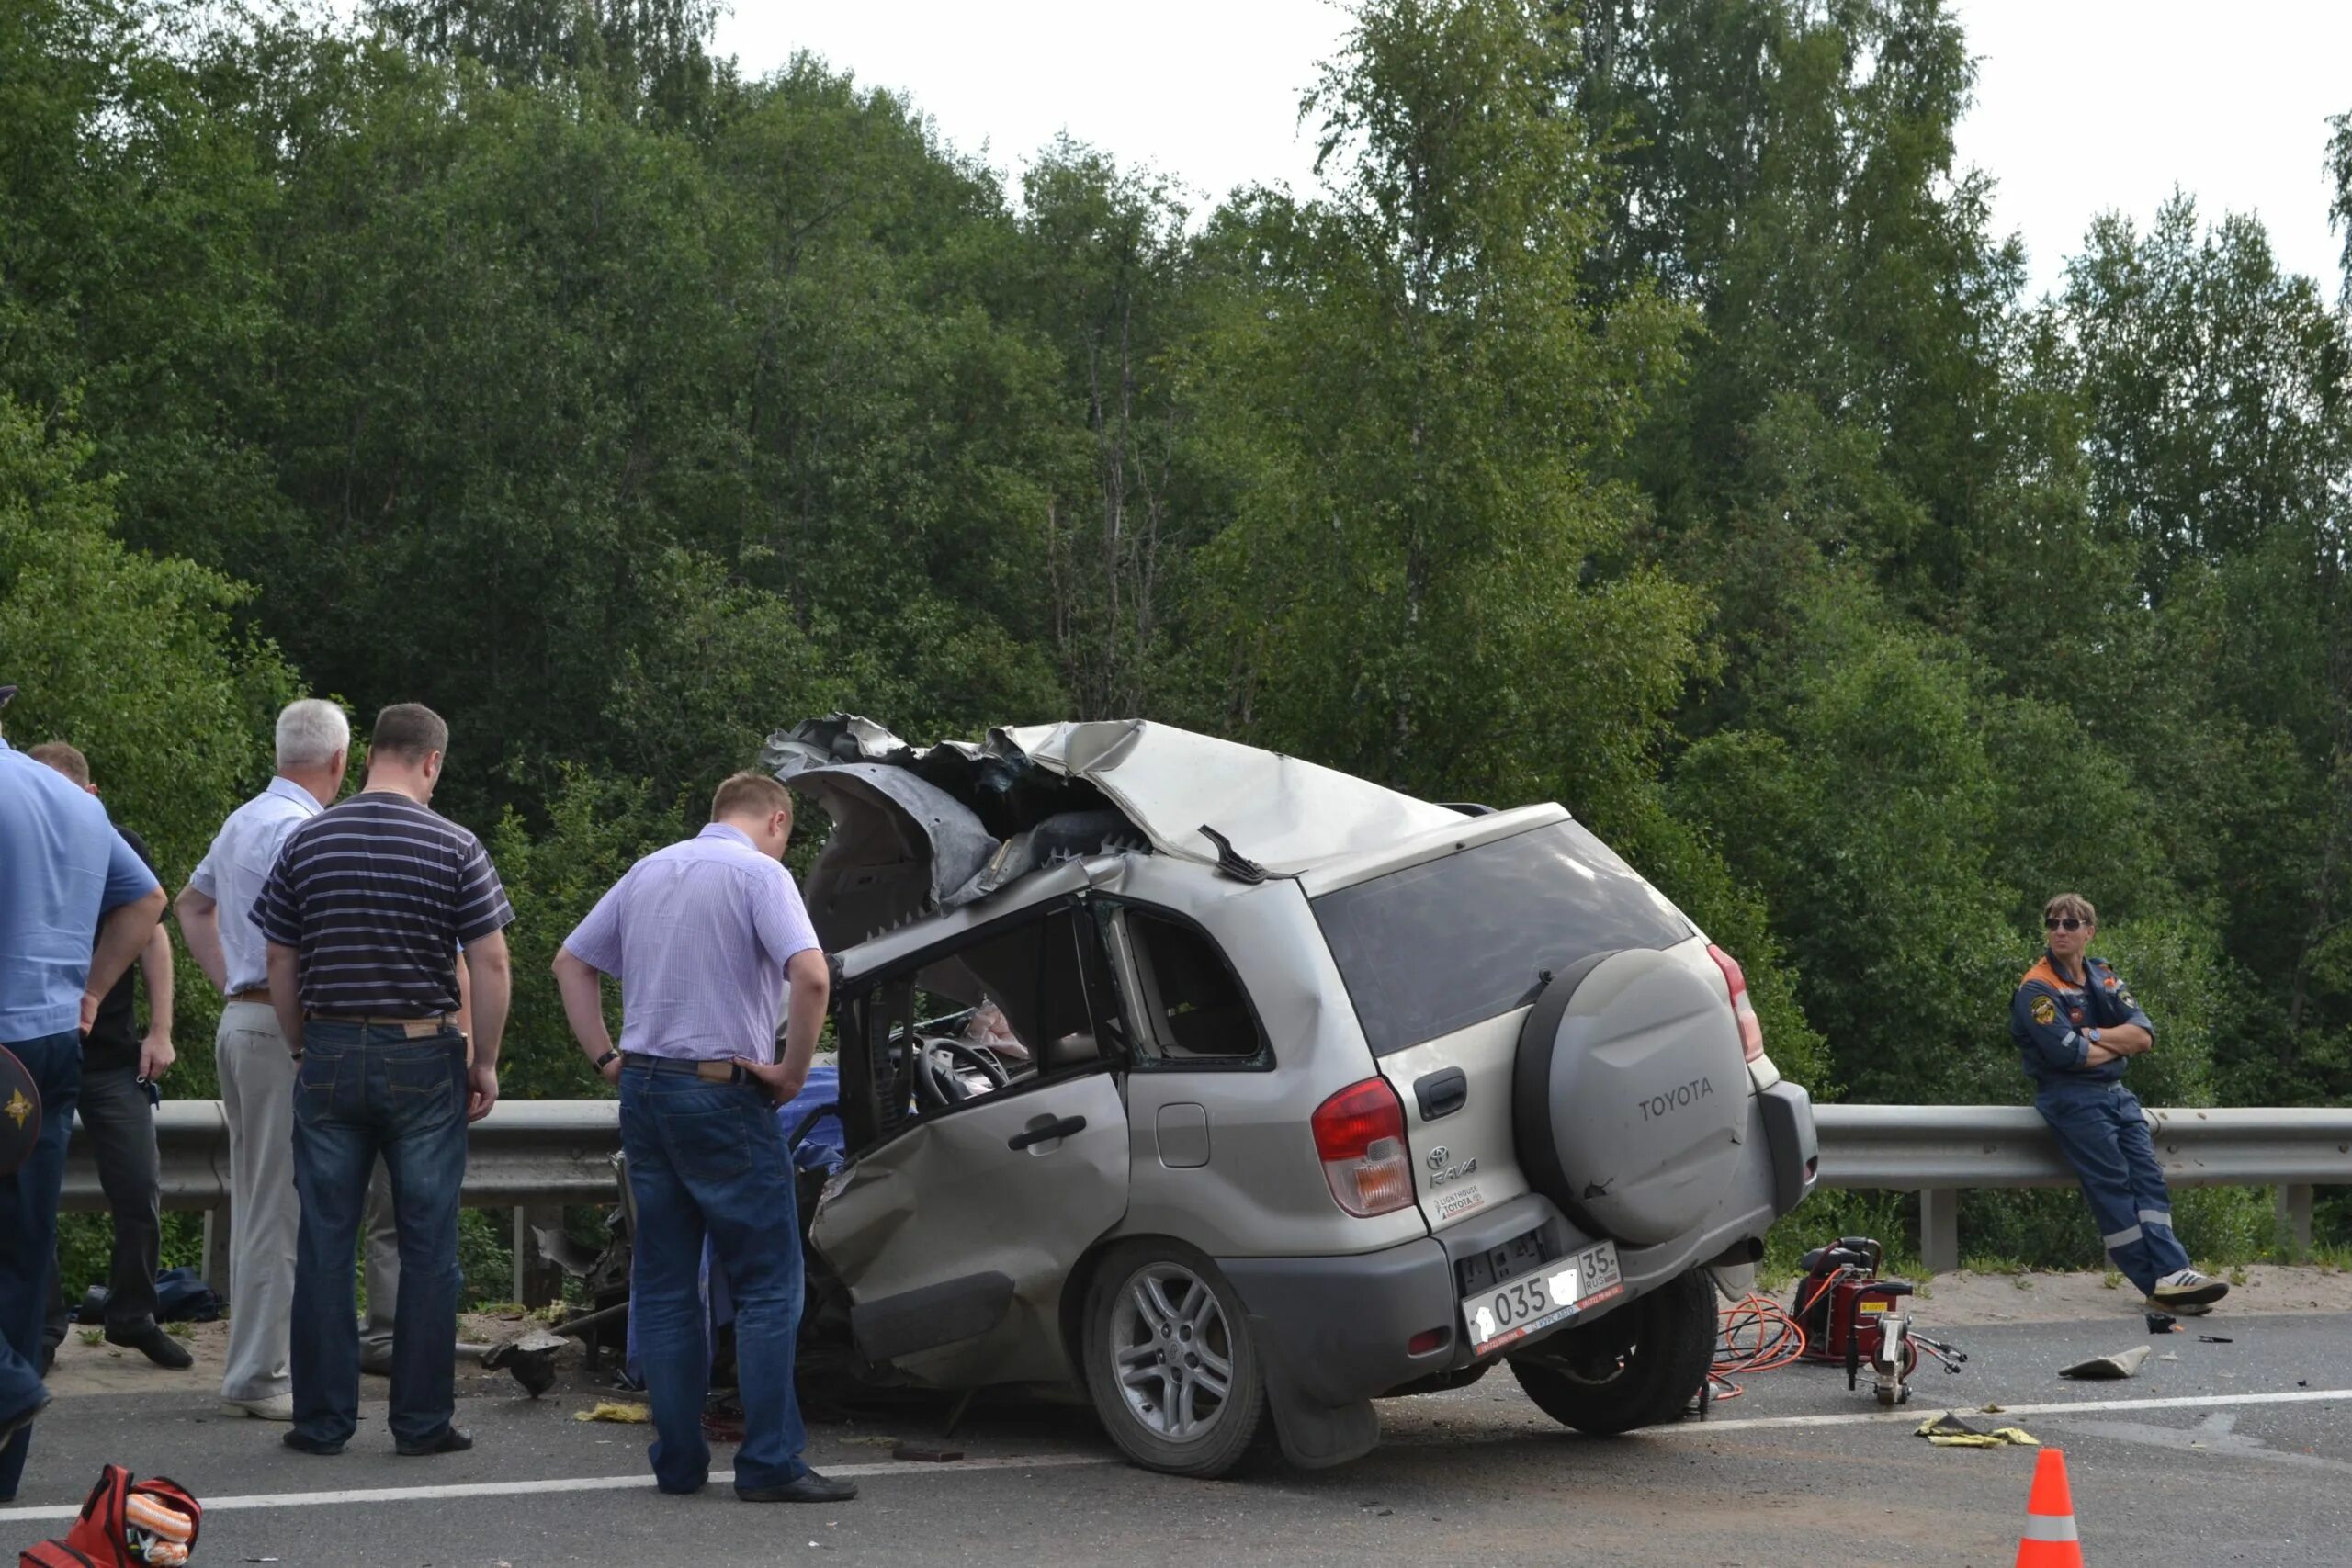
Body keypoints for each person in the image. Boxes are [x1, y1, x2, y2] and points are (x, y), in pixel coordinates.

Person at [551, 771, 853, 1505]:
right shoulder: (760, 875)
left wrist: (605, 1057)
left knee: (663, 1282)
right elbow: (811, 976)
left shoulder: (650, 869)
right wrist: (791, 1071)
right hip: (721, 1093)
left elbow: (571, 961)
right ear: (777, 820)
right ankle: (770, 1462)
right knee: (766, 1280)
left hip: (646, 1090)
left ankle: (678, 1461)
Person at [253, 703, 513, 1459]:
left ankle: (323, 1421)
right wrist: (483, 1059)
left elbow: (279, 957)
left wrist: (305, 1042)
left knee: (326, 1241)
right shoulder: (454, 844)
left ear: (366, 755)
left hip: (331, 1051)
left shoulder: (308, 840)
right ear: (430, 761)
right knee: (430, 1245)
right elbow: (491, 962)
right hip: (423, 1055)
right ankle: (422, 1423)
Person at [176, 699, 402, 1418]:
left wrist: (230, 981)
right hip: (282, 1028)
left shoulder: (245, 818)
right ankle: (262, 1374)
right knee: (285, 1206)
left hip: (243, 1019)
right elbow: (302, 943)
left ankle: (259, 1362)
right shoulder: (307, 832)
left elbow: (190, 904)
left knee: (258, 1200)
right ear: (341, 762)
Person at [0, 682, 168, 1502]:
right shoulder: (70, 802)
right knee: (23, 1253)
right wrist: (91, 992)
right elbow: (147, 901)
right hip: (51, 1047)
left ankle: (6, 1385)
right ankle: (5, 1465)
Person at [25, 742, 190, 1373]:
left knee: (139, 1188)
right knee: (32, 1191)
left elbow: (153, 929)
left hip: (113, 1054)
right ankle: (44, 1326)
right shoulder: (20, 839)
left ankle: (132, 1314)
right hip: (35, 1054)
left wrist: (161, 1029)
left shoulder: (116, 842)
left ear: (89, 796)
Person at [2011, 893, 2228, 1315]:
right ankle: (2158, 1282)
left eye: (2070, 924)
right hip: (2071, 1099)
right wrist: (2112, 1043)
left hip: (2117, 1095)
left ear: (2088, 932)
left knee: (2148, 1179)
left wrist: (2091, 1037)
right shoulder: (2037, 987)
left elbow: (2144, 1034)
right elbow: (2065, 1054)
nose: (2059, 930)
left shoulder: (2102, 976)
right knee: (2112, 1186)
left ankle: (2173, 1274)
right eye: (2053, 923)